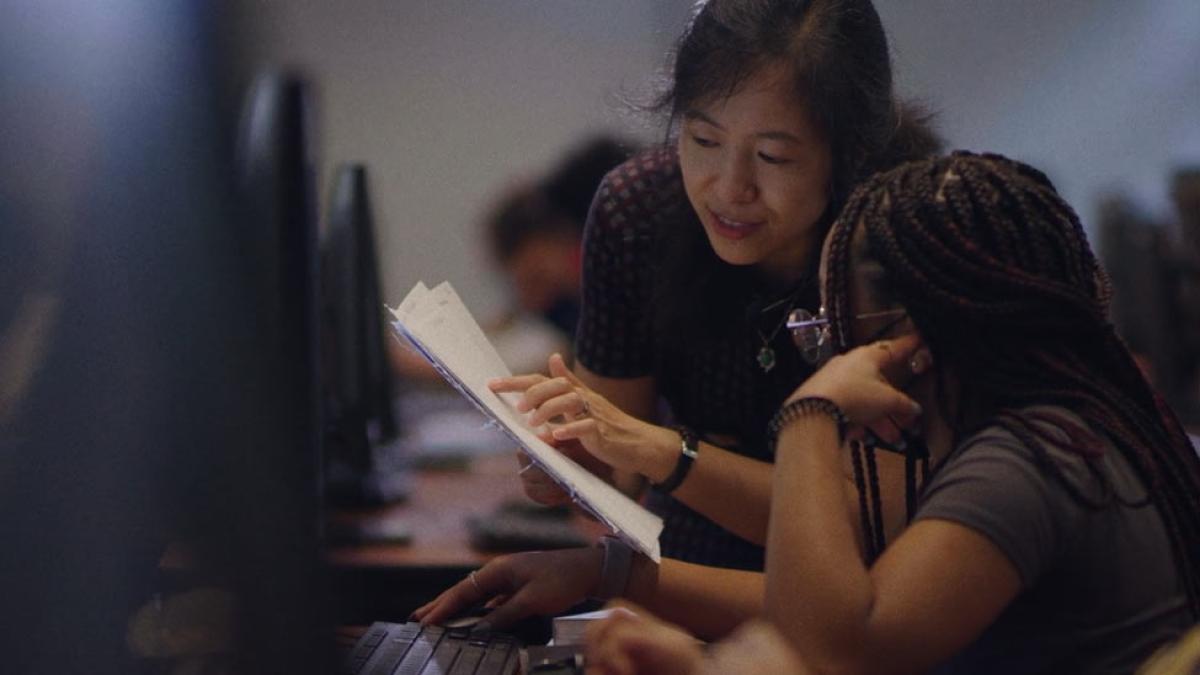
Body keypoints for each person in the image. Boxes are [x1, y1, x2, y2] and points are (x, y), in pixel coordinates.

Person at [414, 0, 940, 638]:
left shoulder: (902, 234)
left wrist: (665, 452)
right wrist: (562, 456)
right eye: (704, 140)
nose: (728, 187)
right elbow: (613, 457)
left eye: (772, 157)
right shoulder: (639, 212)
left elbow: (872, 520)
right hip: (673, 582)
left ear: (851, 151)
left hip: (846, 607)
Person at [583, 151, 1200, 674]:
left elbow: (834, 650)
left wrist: (809, 416)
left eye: (832, 329)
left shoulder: (1024, 465)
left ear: (906, 339)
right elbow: (838, 625)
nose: (828, 352)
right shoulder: (1056, 432)